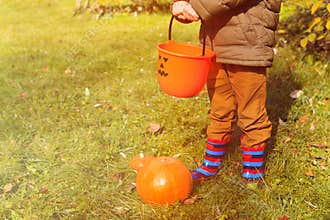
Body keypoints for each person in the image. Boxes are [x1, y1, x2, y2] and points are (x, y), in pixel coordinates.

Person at [171, 0, 282, 184]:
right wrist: (181, 4)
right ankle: (211, 161)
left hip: (247, 43)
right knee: (219, 107)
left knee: (251, 110)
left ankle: (252, 170)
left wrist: (197, 7)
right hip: (215, 42)